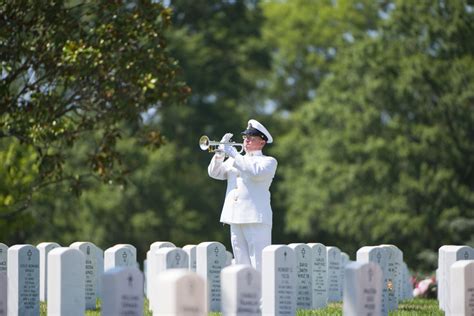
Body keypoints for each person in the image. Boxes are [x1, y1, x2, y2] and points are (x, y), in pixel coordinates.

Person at [207, 119, 277, 272]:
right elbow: (215, 173)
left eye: (251, 138)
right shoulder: (236, 160)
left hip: (255, 218)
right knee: (241, 264)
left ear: (262, 142)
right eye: (245, 137)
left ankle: (263, 296)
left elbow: (254, 171)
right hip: (235, 217)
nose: (246, 140)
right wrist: (220, 153)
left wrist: (232, 153)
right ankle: (246, 295)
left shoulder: (268, 161)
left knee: (259, 264)